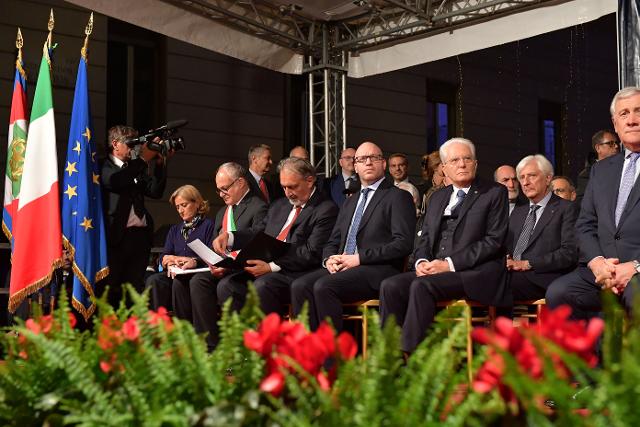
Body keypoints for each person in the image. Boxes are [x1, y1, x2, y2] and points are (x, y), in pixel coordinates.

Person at [379, 137, 509, 354]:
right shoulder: (438, 197)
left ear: (475, 163)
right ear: (444, 168)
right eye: (455, 160)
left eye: (467, 159)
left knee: (421, 287)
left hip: (473, 272)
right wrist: (421, 261)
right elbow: (425, 238)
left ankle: (414, 359)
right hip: (436, 270)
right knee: (391, 286)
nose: (462, 164)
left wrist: (448, 264)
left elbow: (493, 242)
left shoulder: (494, 192)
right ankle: (389, 357)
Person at [291, 142, 416, 331]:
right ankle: (309, 352)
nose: (367, 163)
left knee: (324, 286)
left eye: (373, 158)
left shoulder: (397, 197)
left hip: (377, 269)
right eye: (361, 159)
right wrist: (328, 260)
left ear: (383, 164)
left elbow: (403, 243)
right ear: (355, 167)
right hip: (344, 267)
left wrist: (359, 258)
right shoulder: (350, 201)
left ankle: (334, 357)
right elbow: (333, 240)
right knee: (300, 286)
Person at [546, 87, 640, 319]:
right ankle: (594, 356)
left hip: (638, 269)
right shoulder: (600, 170)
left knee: (636, 297)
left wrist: (635, 266)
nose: (631, 120)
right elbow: (585, 224)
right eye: (624, 114)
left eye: (638, 111)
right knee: (559, 293)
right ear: (615, 123)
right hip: (603, 268)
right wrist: (597, 263)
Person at [212, 157, 338, 316]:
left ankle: (270, 338)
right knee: (228, 285)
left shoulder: (325, 209)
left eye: (292, 187)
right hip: (267, 266)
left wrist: (271, 267)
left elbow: (311, 252)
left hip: (295, 271)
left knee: (263, 285)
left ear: (310, 180)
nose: (288, 193)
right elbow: (258, 233)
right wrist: (230, 237)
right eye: (284, 187)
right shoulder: (279, 205)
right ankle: (241, 339)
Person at [172, 162, 267, 351]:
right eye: (219, 190)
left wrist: (229, 264)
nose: (222, 194)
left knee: (219, 284)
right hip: (221, 266)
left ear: (240, 183)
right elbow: (215, 246)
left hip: (243, 267)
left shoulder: (258, 206)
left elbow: (258, 240)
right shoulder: (223, 211)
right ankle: (203, 343)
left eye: (225, 188)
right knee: (191, 281)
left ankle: (228, 347)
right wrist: (205, 261)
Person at [100, 125, 167, 306]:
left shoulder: (134, 166)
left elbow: (154, 191)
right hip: (117, 238)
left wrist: (160, 164)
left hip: (140, 238)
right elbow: (115, 181)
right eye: (130, 144)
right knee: (114, 288)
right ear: (115, 144)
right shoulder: (104, 165)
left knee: (134, 289)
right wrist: (144, 159)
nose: (133, 149)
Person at [507, 156, 578, 302]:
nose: (525, 182)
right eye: (522, 178)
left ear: (547, 179)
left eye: (532, 176)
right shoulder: (518, 212)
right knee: (480, 277)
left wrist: (527, 264)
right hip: (513, 274)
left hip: (545, 276)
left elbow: (568, 253)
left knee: (496, 284)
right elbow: (507, 247)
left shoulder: (566, 209)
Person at [145, 185, 215, 311]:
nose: (180, 210)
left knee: (180, 283)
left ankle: (182, 325)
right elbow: (163, 256)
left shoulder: (208, 225)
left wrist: (191, 261)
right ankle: (154, 325)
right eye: (177, 207)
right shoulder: (175, 230)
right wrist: (166, 260)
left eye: (184, 205)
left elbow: (212, 254)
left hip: (196, 273)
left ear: (197, 203)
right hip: (175, 273)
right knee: (153, 280)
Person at [575, 130, 619, 203]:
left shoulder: (624, 168)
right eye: (611, 143)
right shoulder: (586, 175)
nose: (616, 146)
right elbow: (583, 203)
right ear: (598, 148)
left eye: (616, 143)